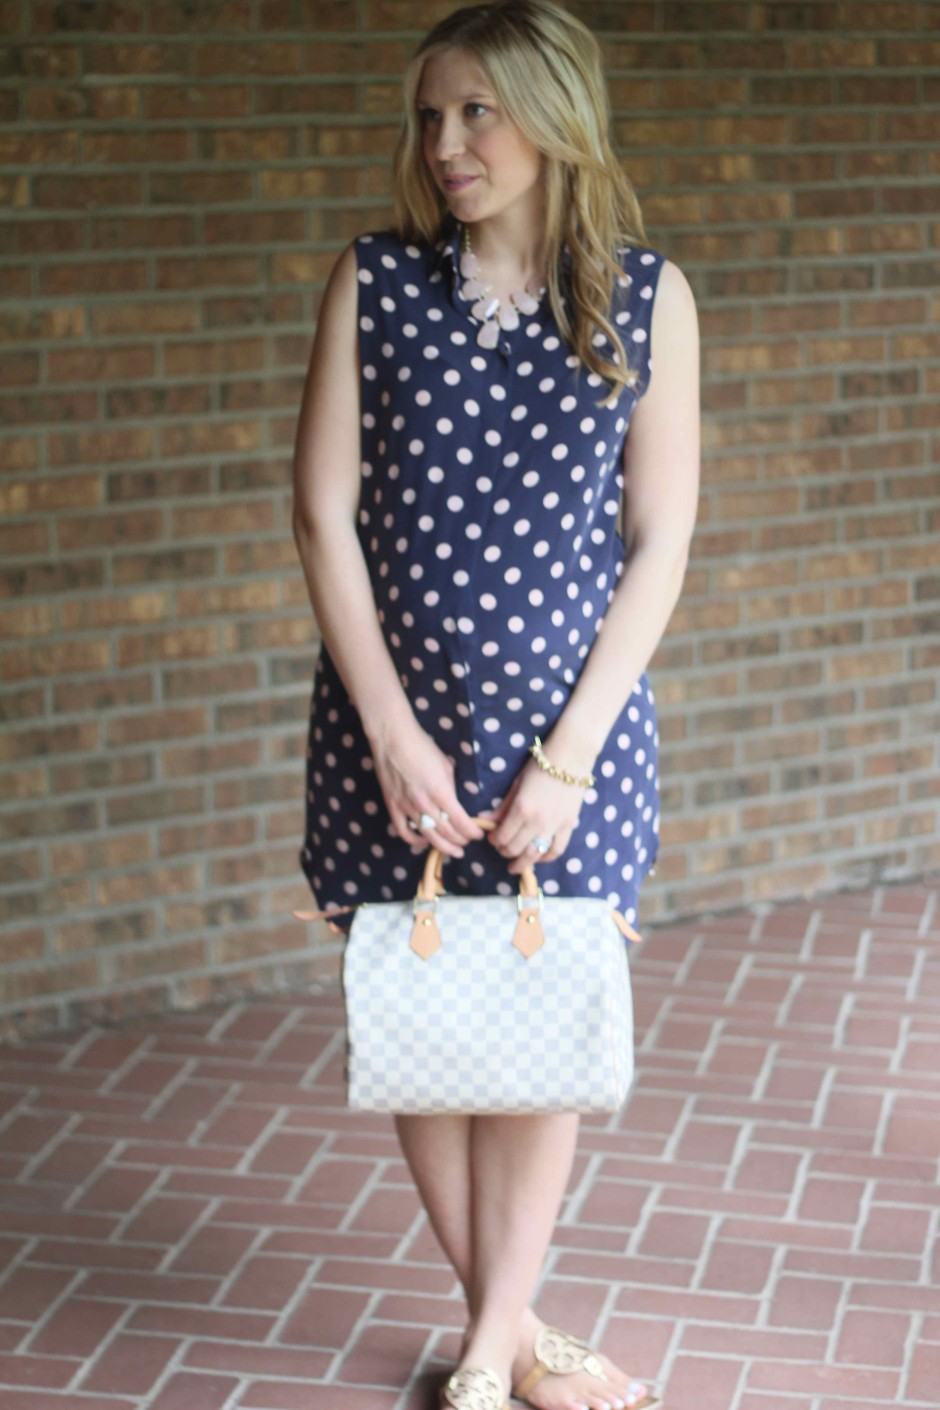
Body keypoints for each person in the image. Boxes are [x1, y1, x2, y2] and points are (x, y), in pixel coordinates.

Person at [292, 2, 699, 1407]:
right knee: (423, 1025)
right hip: (389, 725)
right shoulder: (376, 283)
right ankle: (511, 1339)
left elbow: (662, 539)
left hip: (569, 744)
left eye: (476, 112)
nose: (445, 144)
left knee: (532, 1040)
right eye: (429, 117)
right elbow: (321, 514)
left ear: (555, 118)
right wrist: (393, 728)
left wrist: (573, 759)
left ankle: (484, 1346)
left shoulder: (648, 299)